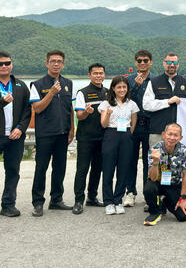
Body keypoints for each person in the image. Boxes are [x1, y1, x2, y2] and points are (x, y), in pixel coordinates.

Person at [29, 50, 75, 216]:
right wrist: (51, 93)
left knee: (59, 168)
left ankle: (56, 199)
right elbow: (37, 108)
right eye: (53, 61)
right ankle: (38, 202)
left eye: (59, 61)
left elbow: (69, 108)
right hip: (45, 134)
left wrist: (72, 129)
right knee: (41, 168)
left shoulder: (68, 82)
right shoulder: (37, 84)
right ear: (46, 63)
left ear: (63, 64)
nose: (56, 64)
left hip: (63, 134)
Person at [99, 76, 139, 215]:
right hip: (111, 134)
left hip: (126, 136)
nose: (122, 90)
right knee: (108, 170)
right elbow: (103, 124)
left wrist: (127, 135)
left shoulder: (132, 104)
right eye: (119, 87)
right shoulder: (106, 104)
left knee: (123, 170)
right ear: (113, 89)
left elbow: (133, 123)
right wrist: (108, 114)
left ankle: (118, 200)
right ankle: (108, 201)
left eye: (124, 87)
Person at [72, 63, 107, 214]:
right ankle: (79, 201)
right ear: (89, 75)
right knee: (82, 170)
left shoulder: (107, 92)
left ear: (104, 75)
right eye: (95, 73)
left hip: (103, 138)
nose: (98, 75)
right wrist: (86, 112)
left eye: (101, 73)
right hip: (86, 138)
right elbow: (79, 116)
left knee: (97, 169)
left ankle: (92, 197)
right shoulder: (83, 92)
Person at [0, 52, 31, 217]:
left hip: (15, 136)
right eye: (1, 64)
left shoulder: (20, 85)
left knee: (13, 172)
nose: (4, 66)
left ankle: (8, 205)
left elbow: (28, 110)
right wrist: (2, 102)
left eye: (7, 63)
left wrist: (20, 128)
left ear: (11, 64)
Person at [143, 123, 186, 226]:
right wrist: (156, 161)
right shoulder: (155, 149)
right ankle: (155, 211)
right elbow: (152, 178)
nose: (172, 138)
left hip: (174, 185)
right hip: (157, 183)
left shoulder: (184, 151)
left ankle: (165, 202)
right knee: (149, 188)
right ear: (163, 134)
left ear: (180, 137)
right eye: (169, 134)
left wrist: (182, 198)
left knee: (183, 216)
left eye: (176, 135)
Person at [143, 52, 186, 147]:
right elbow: (146, 105)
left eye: (175, 63)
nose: (172, 65)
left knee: (179, 161)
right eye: (169, 62)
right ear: (163, 63)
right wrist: (167, 102)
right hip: (158, 131)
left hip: (179, 134)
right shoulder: (154, 82)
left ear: (178, 64)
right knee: (157, 160)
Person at [124, 50, 154, 208]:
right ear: (135, 62)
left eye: (145, 60)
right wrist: (136, 85)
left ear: (150, 62)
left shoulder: (156, 80)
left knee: (149, 162)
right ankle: (130, 192)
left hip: (150, 124)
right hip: (133, 124)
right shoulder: (128, 80)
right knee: (130, 160)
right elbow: (123, 99)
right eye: (139, 60)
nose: (142, 63)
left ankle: (148, 195)